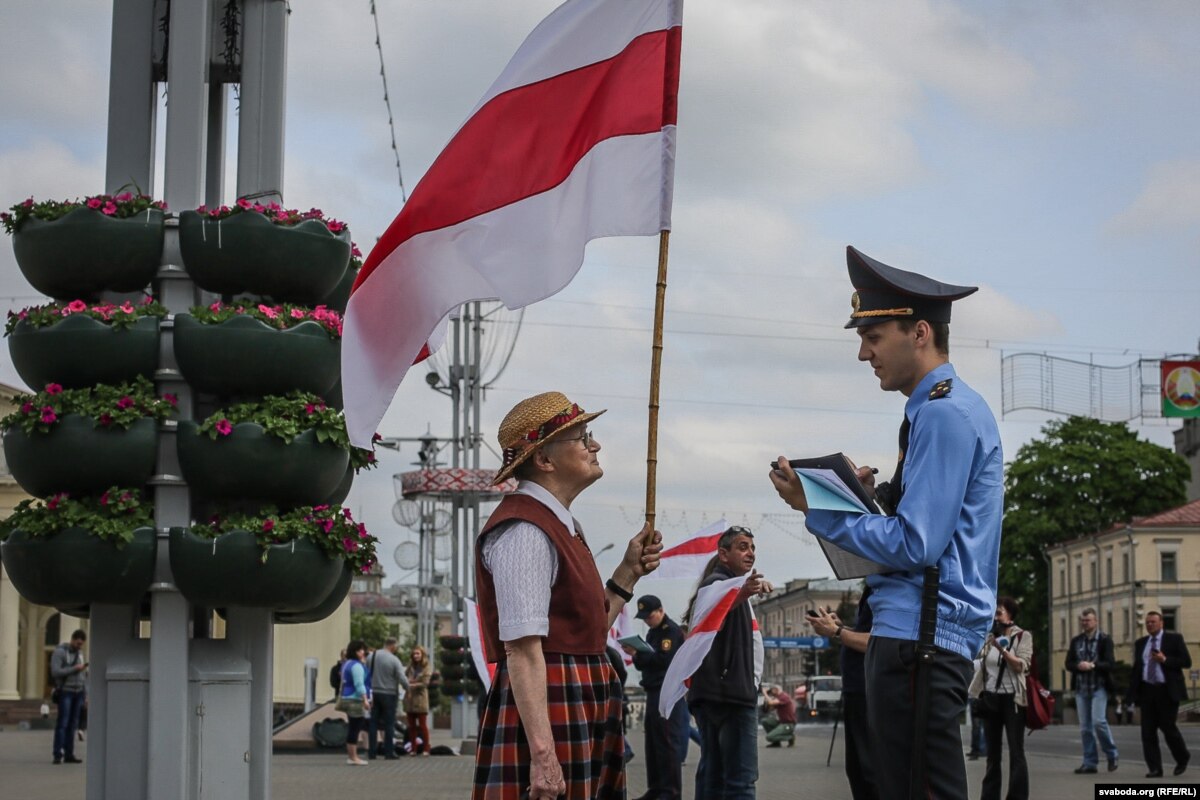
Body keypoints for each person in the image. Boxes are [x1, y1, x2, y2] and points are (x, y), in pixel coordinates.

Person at [770, 245, 1003, 799]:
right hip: (918, 636)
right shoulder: (939, 409)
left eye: (872, 339)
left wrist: (817, 507)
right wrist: (872, 500)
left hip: (920, 639)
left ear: (919, 332)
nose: (863, 355)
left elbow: (917, 544)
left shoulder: (943, 414)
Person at [472, 391, 664, 800]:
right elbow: (522, 651)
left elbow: (585, 630)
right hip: (552, 698)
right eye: (582, 437)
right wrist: (542, 755)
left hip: (577, 693)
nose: (594, 445)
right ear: (544, 459)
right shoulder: (524, 530)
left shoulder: (561, 524)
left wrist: (627, 572)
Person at [684, 526, 771, 800]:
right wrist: (744, 592)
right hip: (731, 696)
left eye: (753, 548)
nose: (750, 553)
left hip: (718, 694)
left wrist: (745, 591)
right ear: (723, 554)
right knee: (740, 782)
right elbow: (716, 609)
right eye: (743, 547)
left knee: (714, 775)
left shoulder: (727, 585)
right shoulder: (716, 585)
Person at [807, 590, 879, 799]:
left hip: (869, 692)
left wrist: (838, 632)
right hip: (857, 691)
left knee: (870, 770)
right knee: (857, 769)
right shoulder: (874, 589)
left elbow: (878, 642)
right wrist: (841, 628)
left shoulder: (888, 589)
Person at [968, 597, 1032, 800]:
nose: (996, 617)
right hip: (991, 698)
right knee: (992, 755)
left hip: (1013, 700)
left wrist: (1003, 649)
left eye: (999, 612)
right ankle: (989, 796)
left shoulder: (1023, 636)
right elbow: (980, 663)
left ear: (1010, 614)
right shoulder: (990, 637)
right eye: (995, 613)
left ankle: (1017, 796)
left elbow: (1022, 665)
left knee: (1016, 752)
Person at [625, 594, 687, 800]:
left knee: (668, 743)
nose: (647, 621)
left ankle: (670, 792)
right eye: (644, 618)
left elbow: (663, 660)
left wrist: (640, 654)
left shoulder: (671, 632)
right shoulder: (652, 633)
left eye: (649, 616)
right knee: (653, 743)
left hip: (667, 692)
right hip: (653, 690)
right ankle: (656, 789)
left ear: (660, 611)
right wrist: (637, 654)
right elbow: (645, 664)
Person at [1127, 611, 1192, 778]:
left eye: (1153, 622)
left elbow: (1186, 662)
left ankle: (1182, 757)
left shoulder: (1174, 639)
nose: (1150, 625)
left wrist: (1165, 660)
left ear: (1161, 623)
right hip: (1147, 691)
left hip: (1167, 690)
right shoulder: (1141, 643)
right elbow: (1137, 670)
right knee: (1147, 732)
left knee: (1168, 727)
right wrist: (1131, 696)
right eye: (1148, 622)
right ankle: (1155, 768)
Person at [1065, 608, 1119, 774]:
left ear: (1096, 621)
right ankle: (1090, 762)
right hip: (1081, 688)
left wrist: (1093, 665)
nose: (1085, 623)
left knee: (1098, 722)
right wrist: (1078, 666)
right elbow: (1069, 663)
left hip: (1099, 687)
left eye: (1088, 620)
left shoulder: (1104, 640)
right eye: (1083, 620)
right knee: (1085, 728)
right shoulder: (1077, 641)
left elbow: (1110, 664)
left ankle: (1112, 754)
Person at [50, 629, 88, 765]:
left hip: (78, 692)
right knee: (63, 723)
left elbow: (83, 676)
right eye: (77, 643)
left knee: (72, 725)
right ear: (72, 639)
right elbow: (55, 672)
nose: (79, 646)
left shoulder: (80, 653)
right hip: (66, 691)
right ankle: (57, 754)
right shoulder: (60, 652)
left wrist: (85, 693)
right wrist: (75, 669)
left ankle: (69, 754)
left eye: (81, 644)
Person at [368, 637, 408, 760]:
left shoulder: (372, 656)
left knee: (373, 723)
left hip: (374, 693)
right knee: (389, 724)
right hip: (389, 694)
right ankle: (389, 751)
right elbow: (401, 677)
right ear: (393, 646)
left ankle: (372, 752)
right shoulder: (394, 659)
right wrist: (408, 688)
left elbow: (367, 672)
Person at [340, 640, 372, 766]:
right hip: (355, 698)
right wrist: (365, 699)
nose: (362, 652)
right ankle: (353, 757)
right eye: (360, 650)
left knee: (353, 726)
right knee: (356, 727)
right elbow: (359, 684)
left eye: (363, 649)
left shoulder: (346, 664)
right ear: (354, 651)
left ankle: (352, 756)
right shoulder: (357, 666)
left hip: (346, 696)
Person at [404, 645, 433, 756]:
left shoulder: (426, 667)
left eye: (418, 654)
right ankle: (413, 749)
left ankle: (426, 748)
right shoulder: (410, 667)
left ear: (422, 655)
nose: (416, 656)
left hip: (420, 698)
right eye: (414, 654)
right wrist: (408, 683)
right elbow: (405, 677)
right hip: (410, 698)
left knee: (422, 725)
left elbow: (425, 683)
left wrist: (411, 684)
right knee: (411, 726)